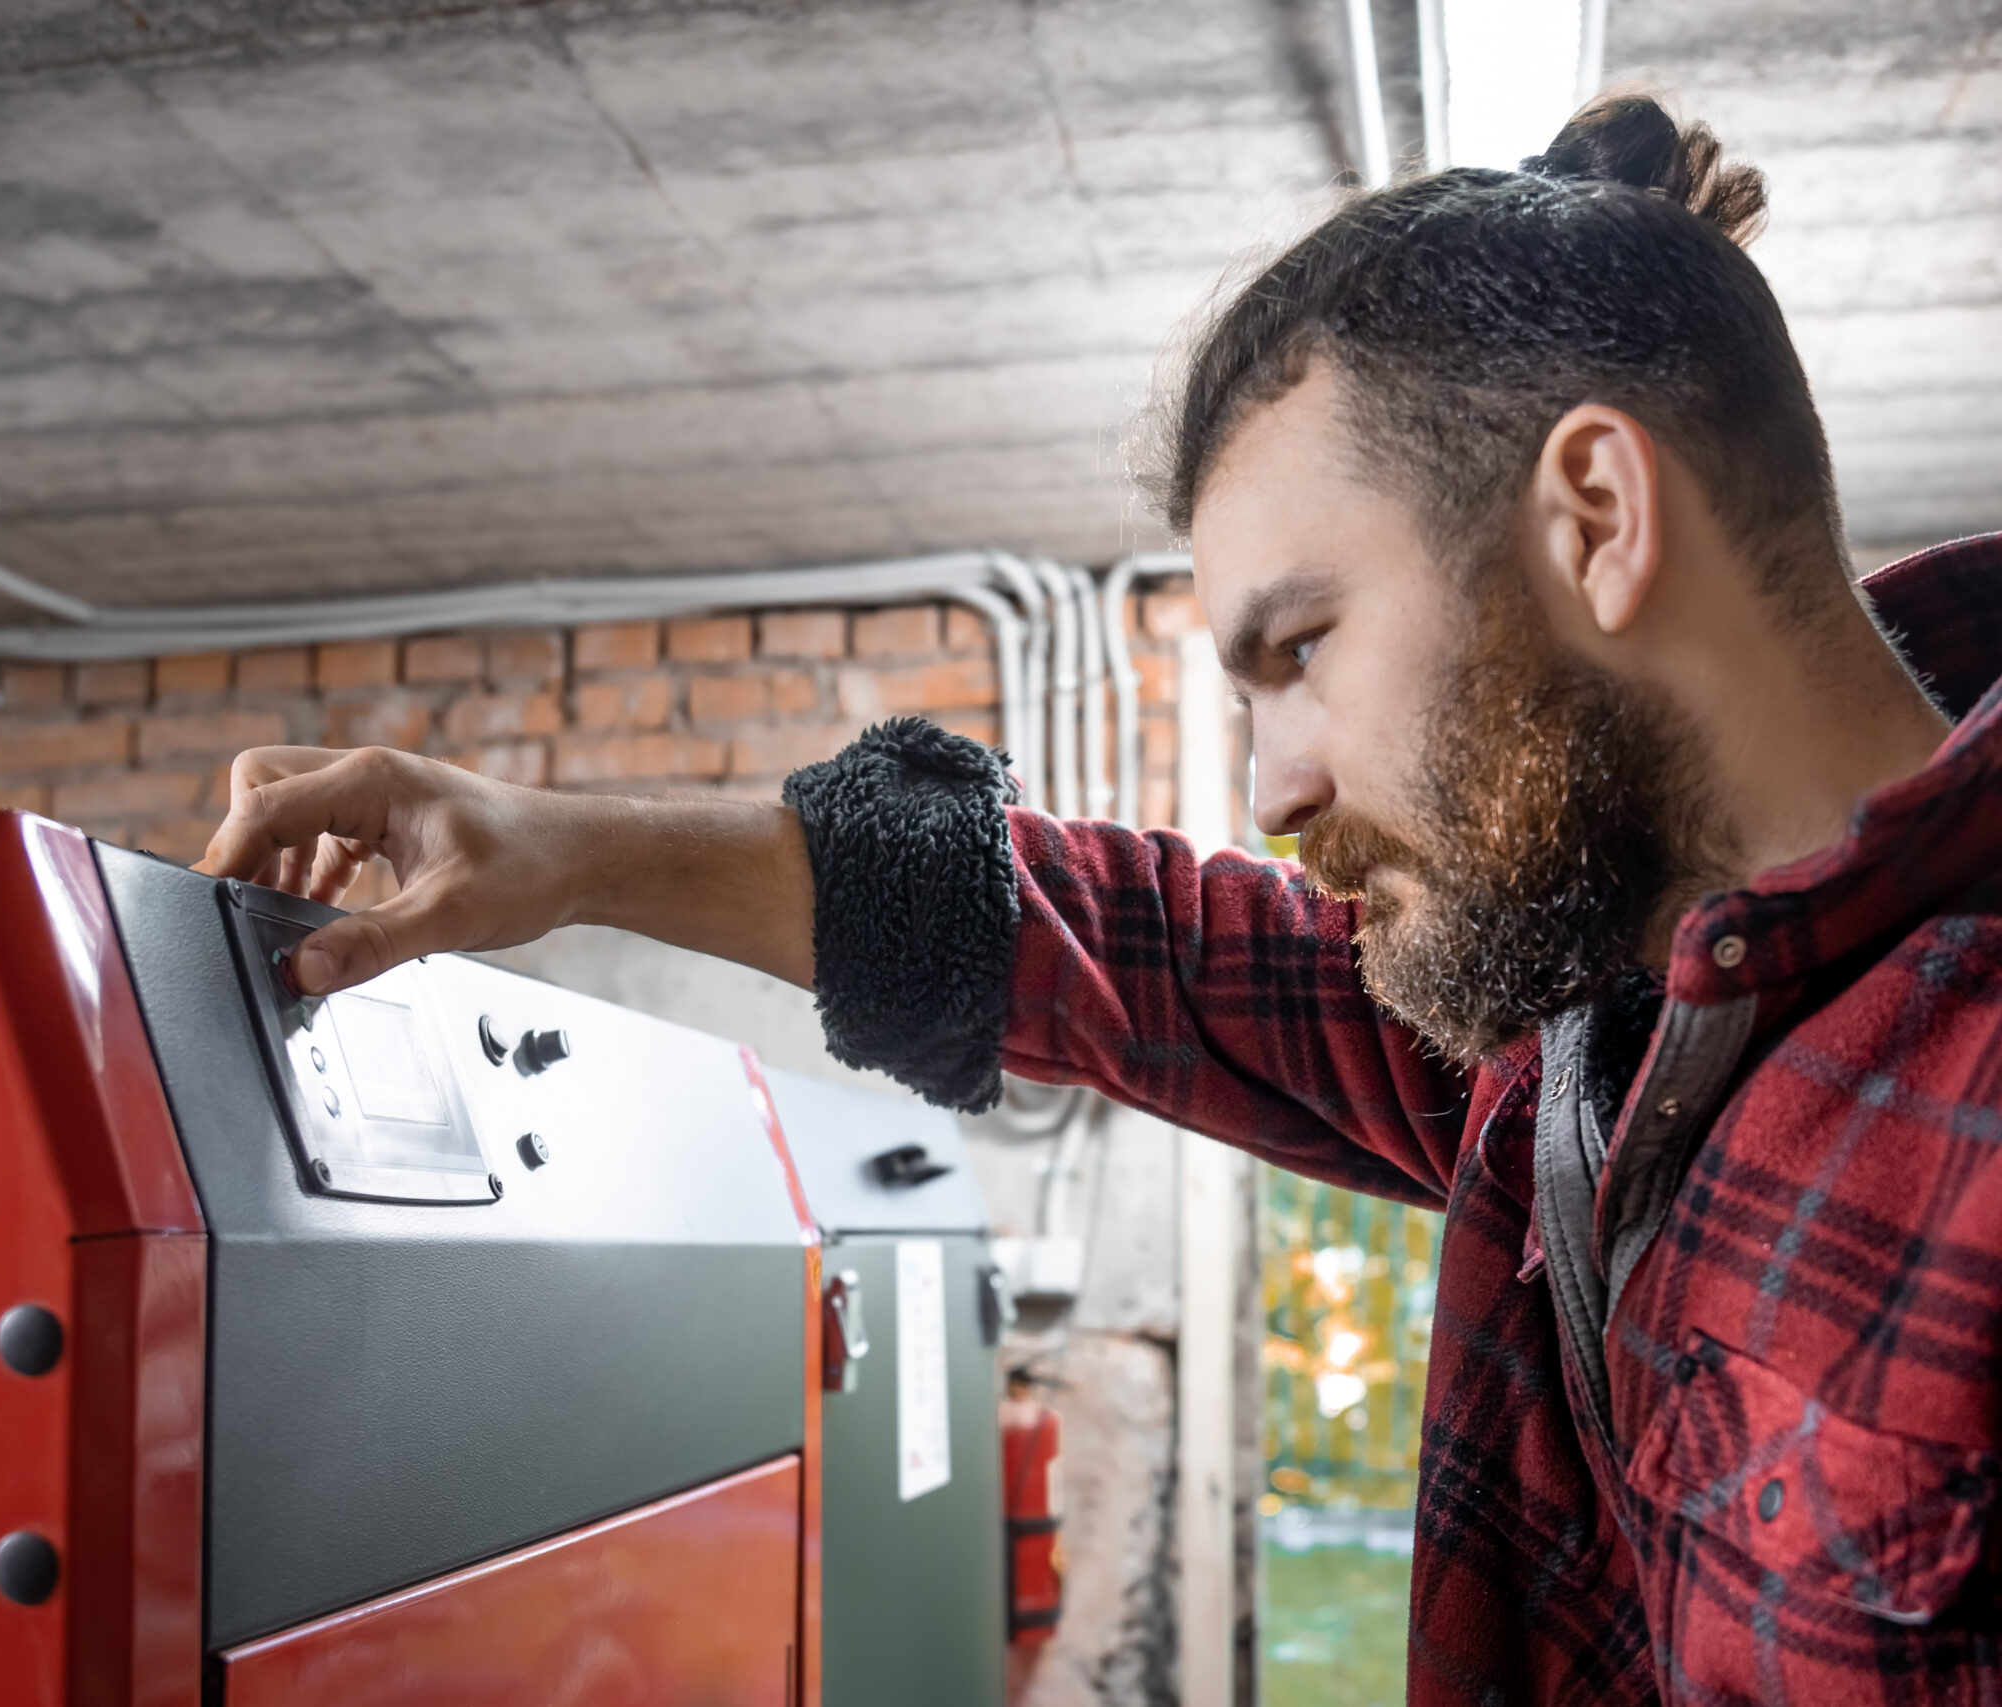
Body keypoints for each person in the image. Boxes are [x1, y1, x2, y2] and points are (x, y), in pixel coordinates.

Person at [199, 95, 2002, 1702]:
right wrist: (566, 850)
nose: (1274, 790)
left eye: (1303, 646)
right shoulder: (1590, 1024)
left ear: (1595, 520)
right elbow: (1138, 948)